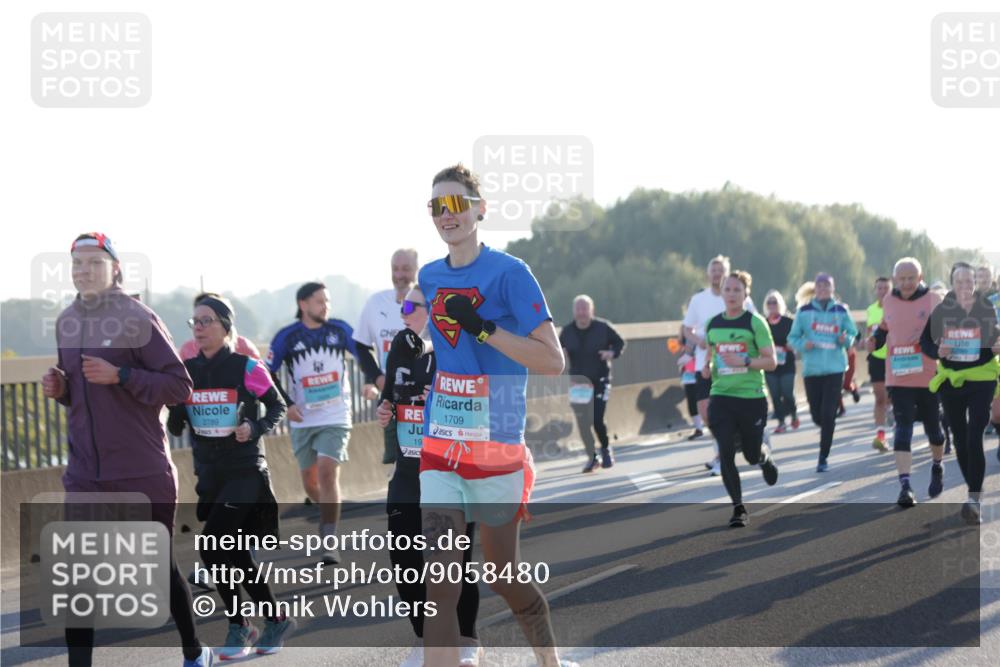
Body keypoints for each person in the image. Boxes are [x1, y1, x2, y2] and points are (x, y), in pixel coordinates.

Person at [417, 164, 575, 667]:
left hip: (496, 442)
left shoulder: (510, 273)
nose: (448, 215)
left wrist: (484, 329)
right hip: (441, 441)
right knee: (439, 581)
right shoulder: (429, 275)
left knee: (503, 575)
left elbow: (553, 360)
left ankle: (549, 662)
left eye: (458, 203)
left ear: (480, 209)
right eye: (438, 206)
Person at [40, 233, 212, 667]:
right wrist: (61, 389)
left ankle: (195, 651)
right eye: (76, 263)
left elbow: (179, 386)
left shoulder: (138, 318)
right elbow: (81, 396)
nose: (83, 270)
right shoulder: (66, 322)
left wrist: (121, 375)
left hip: (140, 469)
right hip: (84, 474)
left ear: (115, 267)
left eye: (93, 262)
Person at [167, 296, 294, 657]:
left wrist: (254, 426)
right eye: (194, 322)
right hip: (210, 474)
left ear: (225, 326)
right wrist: (177, 402)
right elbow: (177, 423)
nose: (199, 328)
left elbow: (278, 405)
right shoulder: (186, 370)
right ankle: (274, 620)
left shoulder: (246, 367)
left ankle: (240, 626)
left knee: (211, 545)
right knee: (235, 554)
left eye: (206, 320)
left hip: (245, 470)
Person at [375, 286, 483, 667]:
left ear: (434, 311)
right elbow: (387, 397)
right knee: (404, 557)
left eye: (411, 305)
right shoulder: (400, 351)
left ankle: (466, 638)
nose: (403, 312)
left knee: (452, 561)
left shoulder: (457, 356)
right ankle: (424, 640)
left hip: (450, 471)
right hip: (408, 470)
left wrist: (435, 399)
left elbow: (477, 407)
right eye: (401, 305)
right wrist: (385, 409)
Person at [266, 282, 362, 565]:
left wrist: (371, 381)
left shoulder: (340, 330)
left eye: (327, 301)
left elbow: (364, 356)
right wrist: (287, 404)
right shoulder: (286, 337)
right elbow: (266, 373)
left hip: (336, 415)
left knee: (326, 471)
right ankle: (327, 513)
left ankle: (330, 539)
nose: (325, 306)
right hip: (303, 419)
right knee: (309, 483)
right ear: (303, 304)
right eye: (320, 301)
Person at [921, 262, 1000, 524]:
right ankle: (972, 493)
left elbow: (991, 340)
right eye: (960, 282)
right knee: (960, 435)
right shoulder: (943, 310)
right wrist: (937, 352)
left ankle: (973, 499)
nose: (965, 286)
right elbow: (925, 342)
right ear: (952, 283)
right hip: (951, 381)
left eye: (969, 282)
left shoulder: (985, 307)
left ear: (975, 284)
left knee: (975, 433)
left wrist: (997, 345)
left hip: (980, 378)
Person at [701, 271, 779, 527]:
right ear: (721, 293)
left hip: (751, 397)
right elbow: (711, 355)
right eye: (728, 289)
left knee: (750, 453)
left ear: (745, 294)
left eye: (737, 290)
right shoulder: (713, 323)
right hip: (721, 396)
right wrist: (706, 367)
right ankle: (738, 507)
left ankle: (763, 458)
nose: (732, 294)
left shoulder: (755, 323)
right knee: (725, 452)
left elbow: (771, 362)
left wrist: (746, 361)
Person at [869, 257, 946, 507]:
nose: (906, 282)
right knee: (903, 430)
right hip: (898, 376)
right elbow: (883, 329)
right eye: (901, 278)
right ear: (894, 280)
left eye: (911, 278)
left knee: (934, 431)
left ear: (920, 278)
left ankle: (937, 464)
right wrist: (874, 340)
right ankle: (905, 486)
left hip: (929, 376)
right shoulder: (889, 300)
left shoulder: (934, 300)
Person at [681, 255, 756, 476]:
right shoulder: (699, 300)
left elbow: (754, 327)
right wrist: (699, 341)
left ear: (727, 273)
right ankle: (724, 450)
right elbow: (687, 329)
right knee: (707, 414)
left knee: (733, 412)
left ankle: (726, 453)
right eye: (713, 270)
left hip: (734, 365)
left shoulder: (742, 299)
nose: (716, 274)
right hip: (705, 363)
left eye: (720, 270)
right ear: (708, 274)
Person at [353, 249, 419, 464]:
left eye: (406, 269)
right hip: (392, 395)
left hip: (425, 396)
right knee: (396, 460)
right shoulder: (375, 303)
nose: (400, 275)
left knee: (424, 460)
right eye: (395, 269)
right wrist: (377, 378)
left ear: (416, 270)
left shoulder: (429, 301)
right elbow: (361, 346)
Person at [788, 273, 858, 472]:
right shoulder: (804, 312)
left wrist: (846, 339)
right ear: (815, 289)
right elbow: (792, 338)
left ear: (832, 288)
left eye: (827, 286)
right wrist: (803, 344)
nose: (823, 289)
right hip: (812, 370)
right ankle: (826, 424)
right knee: (817, 416)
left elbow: (852, 333)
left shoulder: (841, 311)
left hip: (835, 369)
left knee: (828, 415)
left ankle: (823, 457)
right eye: (820, 286)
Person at [559, 295, 626, 473]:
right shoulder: (567, 332)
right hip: (578, 383)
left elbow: (620, 343)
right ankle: (592, 457)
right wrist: (561, 356)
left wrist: (611, 353)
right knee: (582, 421)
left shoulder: (603, 328)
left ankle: (605, 449)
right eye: (578, 309)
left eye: (585, 308)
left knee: (597, 418)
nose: (581, 312)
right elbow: (556, 351)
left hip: (600, 380)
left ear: (591, 310)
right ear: (574, 311)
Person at [178, 292, 261, 361]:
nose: (198, 327)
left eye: (206, 320)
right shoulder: (186, 351)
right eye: (196, 321)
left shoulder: (245, 348)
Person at [762, 290, 798, 433]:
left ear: (780, 304)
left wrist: (792, 345)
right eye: (769, 302)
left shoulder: (789, 321)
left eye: (774, 302)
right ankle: (781, 422)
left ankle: (794, 414)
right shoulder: (762, 324)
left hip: (787, 363)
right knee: (775, 394)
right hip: (770, 364)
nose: (772, 305)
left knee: (787, 393)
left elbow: (797, 338)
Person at [865, 277, 893, 451]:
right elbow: (870, 333)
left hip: (895, 357)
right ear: (875, 290)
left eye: (886, 288)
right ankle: (881, 437)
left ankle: (896, 423)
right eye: (879, 288)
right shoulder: (871, 310)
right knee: (879, 398)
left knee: (892, 397)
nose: (882, 291)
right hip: (876, 358)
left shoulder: (897, 307)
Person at [676, 333, 704, 439]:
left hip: (701, 378)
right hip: (688, 380)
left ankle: (712, 426)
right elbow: (681, 363)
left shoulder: (700, 346)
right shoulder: (684, 352)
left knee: (705, 403)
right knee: (692, 405)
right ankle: (699, 428)